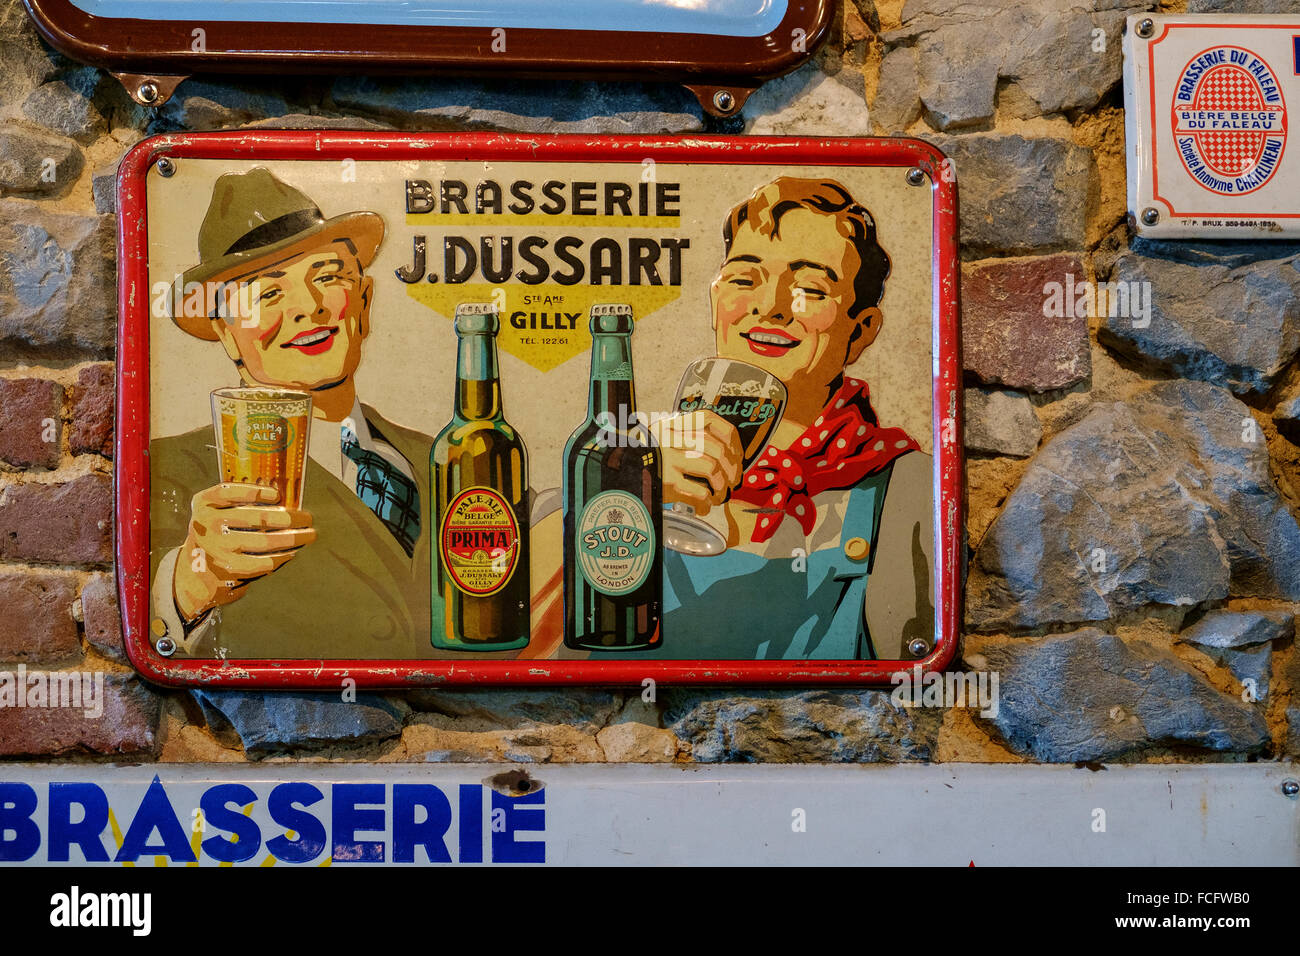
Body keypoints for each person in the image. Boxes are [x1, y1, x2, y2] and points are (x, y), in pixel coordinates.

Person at [639, 177, 934, 660]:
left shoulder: (906, 485)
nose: (770, 307)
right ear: (715, 301)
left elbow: (905, 676)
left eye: (810, 287)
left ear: (860, 332)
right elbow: (545, 655)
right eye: (742, 279)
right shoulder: (624, 465)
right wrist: (627, 493)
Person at [149, 167, 435, 659]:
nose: (311, 307)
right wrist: (196, 574)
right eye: (268, 293)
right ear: (225, 333)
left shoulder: (443, 457)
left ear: (363, 304)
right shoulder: (166, 469)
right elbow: (152, 614)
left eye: (327, 277)